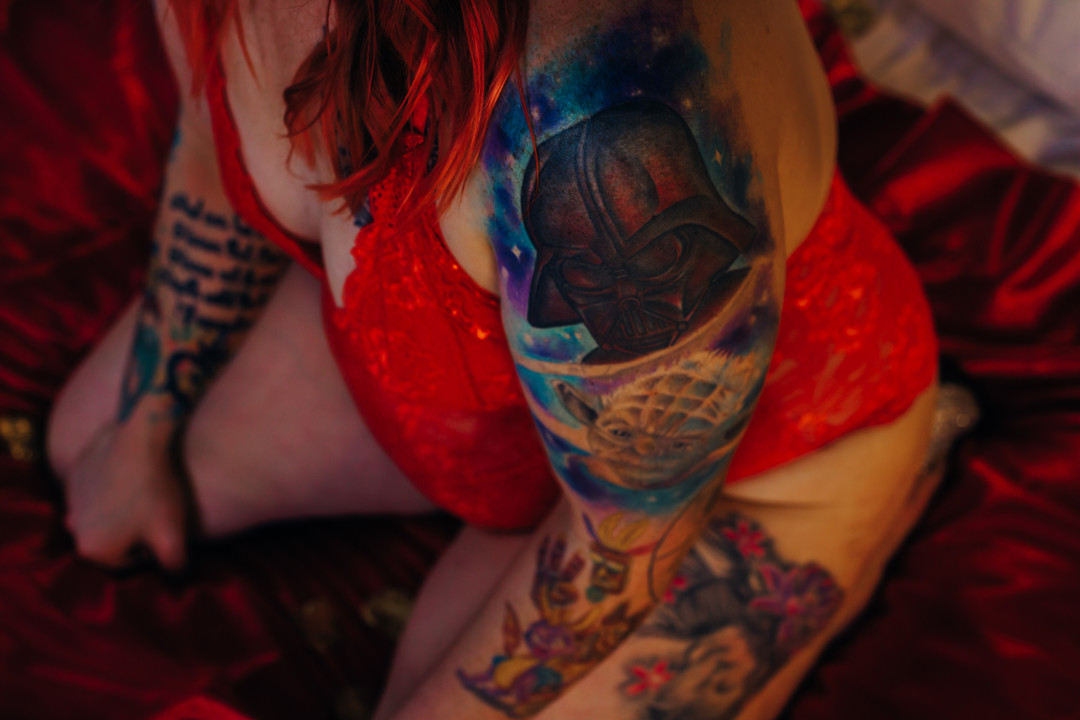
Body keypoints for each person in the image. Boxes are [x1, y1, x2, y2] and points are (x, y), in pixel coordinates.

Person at [45, 0, 940, 717]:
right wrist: (142, 427)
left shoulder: (598, 93)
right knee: (83, 439)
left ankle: (889, 486)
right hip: (462, 402)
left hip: (729, 474)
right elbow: (211, 153)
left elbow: (628, 535)